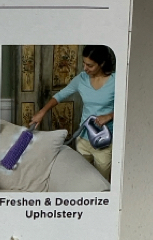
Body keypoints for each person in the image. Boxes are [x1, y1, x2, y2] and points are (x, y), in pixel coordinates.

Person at [30, 45, 116, 181]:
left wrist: (109, 116)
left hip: (104, 141)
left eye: (90, 65)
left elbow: (129, 106)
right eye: (84, 63)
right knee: (81, 178)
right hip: (83, 138)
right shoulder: (81, 79)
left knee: (101, 181)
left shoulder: (116, 81)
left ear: (102, 63)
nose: (85, 68)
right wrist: (42, 112)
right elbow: (60, 96)